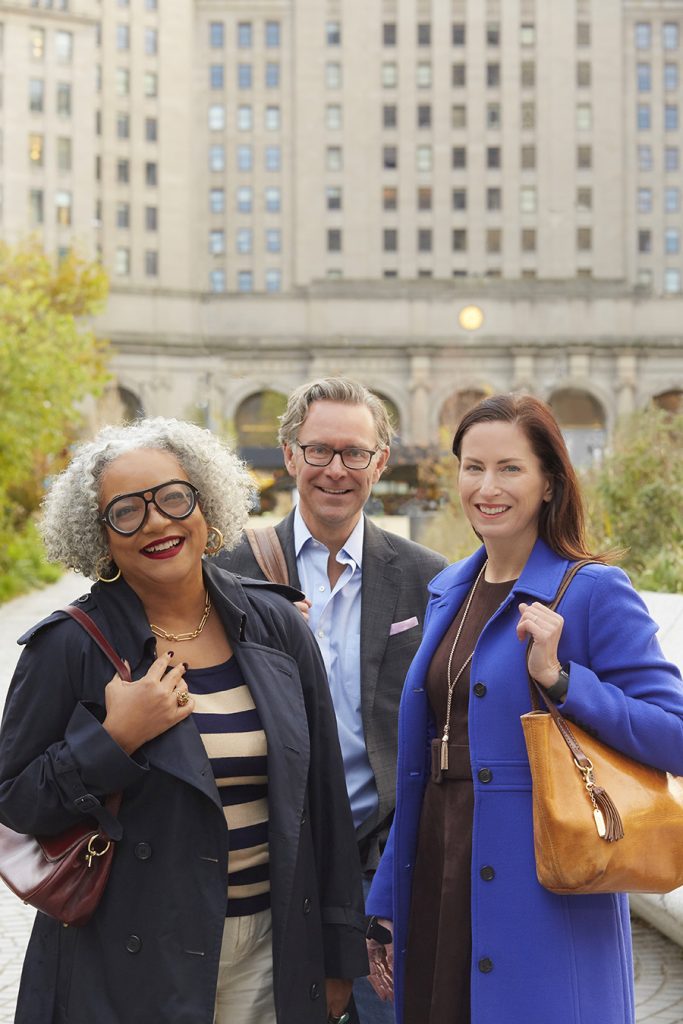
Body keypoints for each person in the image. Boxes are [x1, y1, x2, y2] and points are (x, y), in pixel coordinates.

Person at [0, 417, 368, 1024]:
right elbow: (16, 802)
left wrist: (336, 955)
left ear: (205, 503)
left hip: (273, 953)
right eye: (126, 511)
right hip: (131, 962)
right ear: (100, 538)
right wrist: (114, 740)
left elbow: (322, 799)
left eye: (174, 498)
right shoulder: (69, 646)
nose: (158, 523)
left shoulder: (275, 626)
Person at [365, 393, 683, 1024]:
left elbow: (673, 735)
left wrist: (564, 681)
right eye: (472, 467)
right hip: (436, 869)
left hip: (546, 893)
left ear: (548, 482)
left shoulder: (591, 590)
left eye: (510, 468)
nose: (488, 486)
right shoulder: (448, 589)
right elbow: (428, 762)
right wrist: (387, 898)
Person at [217, 377, 447, 1023]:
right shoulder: (228, 571)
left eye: (354, 453)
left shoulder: (429, 576)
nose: (335, 470)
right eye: (318, 451)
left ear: (379, 462)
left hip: (382, 865)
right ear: (289, 455)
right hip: (266, 865)